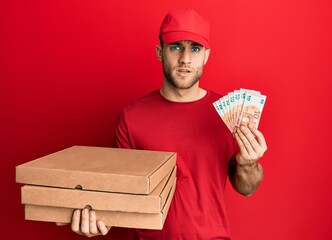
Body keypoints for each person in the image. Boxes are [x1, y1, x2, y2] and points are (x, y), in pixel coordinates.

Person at [67, 9, 267, 239]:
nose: (185, 58)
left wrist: (248, 164)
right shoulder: (131, 118)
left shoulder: (228, 114)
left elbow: (247, 189)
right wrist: (97, 221)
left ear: (206, 56)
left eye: (195, 48)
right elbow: (121, 194)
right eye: (175, 47)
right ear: (160, 52)